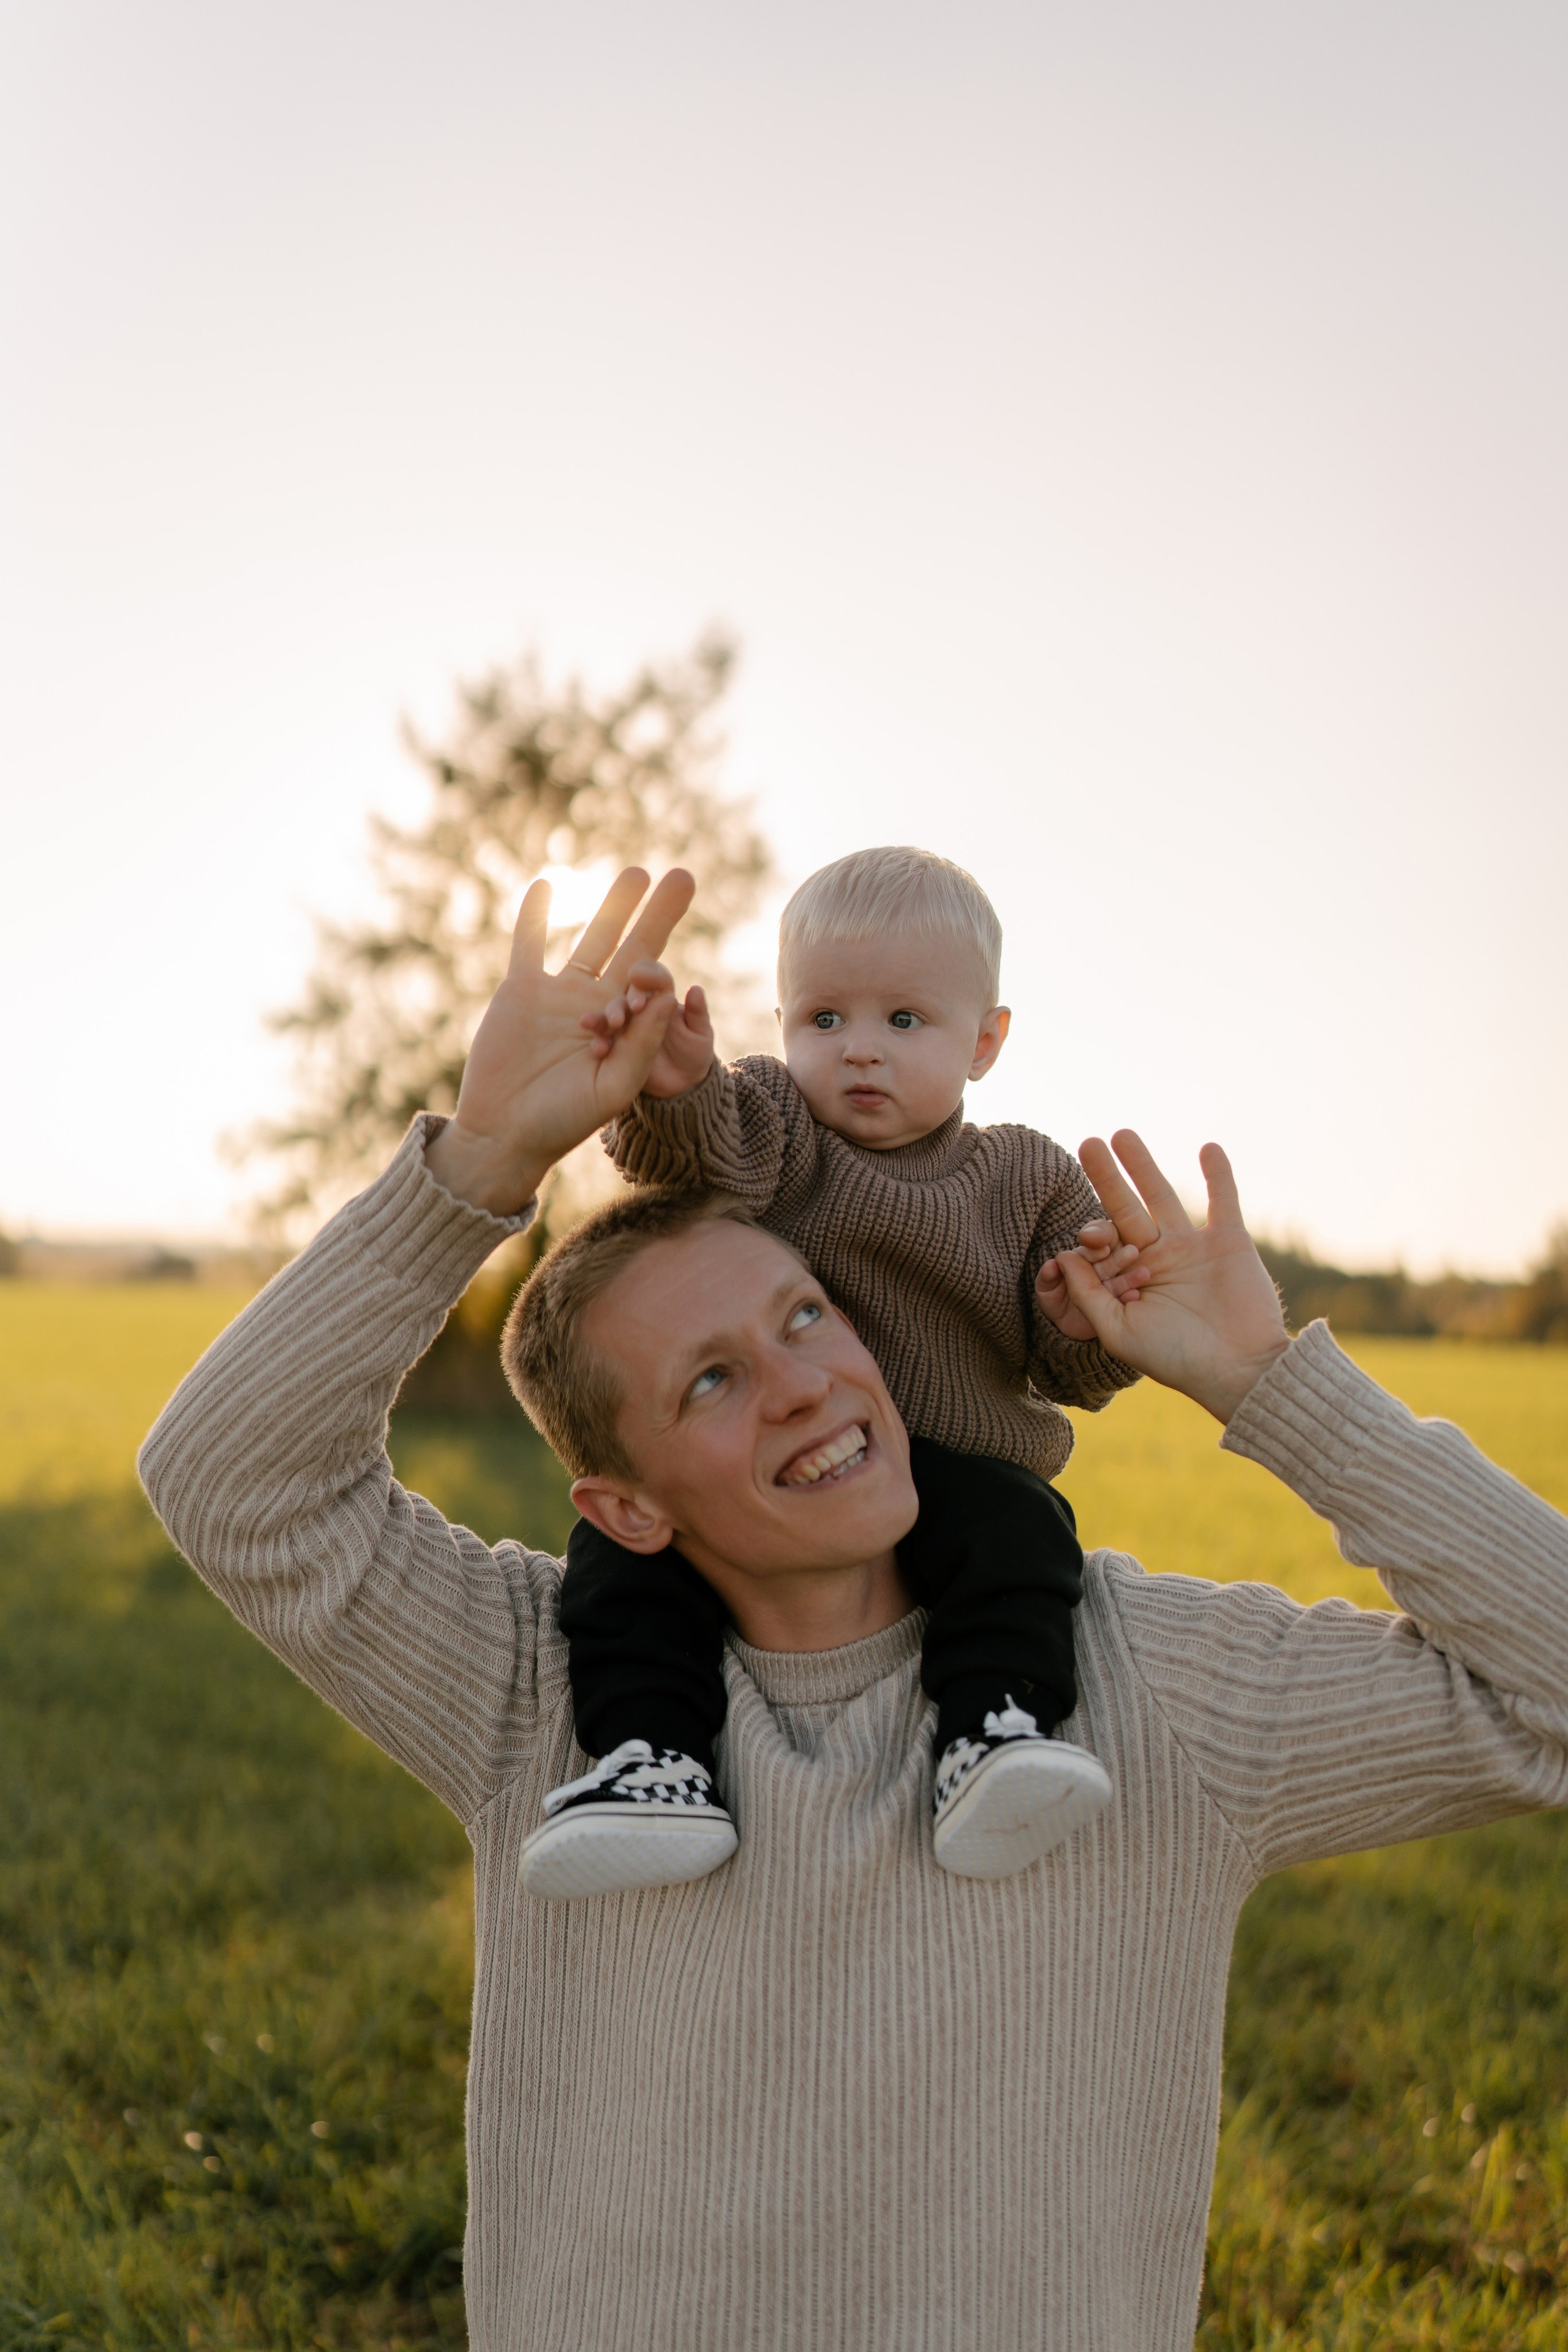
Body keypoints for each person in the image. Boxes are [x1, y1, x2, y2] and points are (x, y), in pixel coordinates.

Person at [140, 867, 1568, 2352]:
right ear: (623, 1506)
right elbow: (231, 1483)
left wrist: (1273, 1391)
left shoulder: (1148, 1687)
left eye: (804, 1316)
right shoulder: (541, 1691)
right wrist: (481, 1162)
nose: (809, 1383)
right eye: (708, 1380)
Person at [526, 845, 1148, 1901]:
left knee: (1019, 1539)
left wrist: (1079, 1324)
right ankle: (652, 1760)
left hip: (958, 1465)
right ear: (781, 1028)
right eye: (825, 1020)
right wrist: (677, 1086)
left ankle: (993, 1729)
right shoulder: (779, 1128)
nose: (859, 1052)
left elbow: (1075, 1366)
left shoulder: (1029, 1179)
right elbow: (698, 1155)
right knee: (622, 1567)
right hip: (773, 1466)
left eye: (903, 1022)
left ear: (985, 1041)